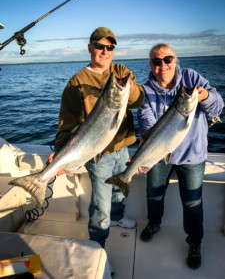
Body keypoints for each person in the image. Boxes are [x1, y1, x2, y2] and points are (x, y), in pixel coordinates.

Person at [49, 27, 145, 250]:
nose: (105, 51)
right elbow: (67, 121)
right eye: (100, 46)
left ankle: (118, 216)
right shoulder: (76, 82)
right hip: (96, 153)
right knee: (101, 204)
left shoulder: (119, 70)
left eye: (110, 47)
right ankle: (97, 249)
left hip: (122, 148)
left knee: (119, 189)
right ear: (90, 48)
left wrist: (128, 89)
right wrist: (61, 150)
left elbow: (139, 99)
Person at [137, 43, 224, 270]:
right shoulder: (146, 91)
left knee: (193, 203)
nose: (162, 65)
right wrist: (144, 151)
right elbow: (146, 122)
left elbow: (217, 106)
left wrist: (205, 96)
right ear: (151, 65)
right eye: (156, 61)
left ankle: (194, 242)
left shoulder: (191, 77)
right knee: (153, 195)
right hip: (159, 155)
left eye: (167, 59)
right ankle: (154, 223)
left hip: (192, 155)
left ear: (175, 60)